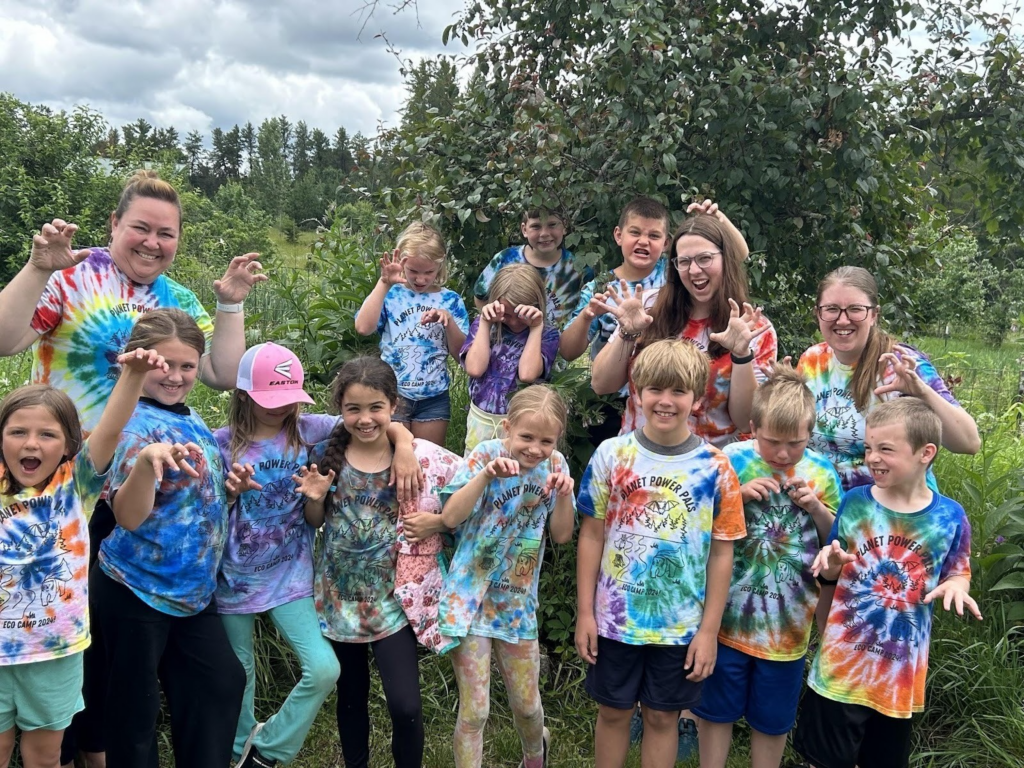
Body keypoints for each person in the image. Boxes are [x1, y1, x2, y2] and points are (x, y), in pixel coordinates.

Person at [0, 169, 265, 768]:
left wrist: (228, 304)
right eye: (140, 228)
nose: (152, 242)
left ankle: (99, 750)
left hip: (142, 497)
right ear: (114, 225)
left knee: (114, 657)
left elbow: (221, 373)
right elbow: (4, 338)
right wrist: (41, 266)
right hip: (62, 492)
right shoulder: (72, 276)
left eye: (165, 233)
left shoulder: (177, 301)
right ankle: (66, 753)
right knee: (69, 642)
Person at [576, 339, 746, 768]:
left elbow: (721, 555)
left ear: (697, 397)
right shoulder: (612, 455)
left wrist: (708, 632)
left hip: (679, 624)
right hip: (616, 619)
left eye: (678, 392)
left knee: (662, 716)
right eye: (655, 390)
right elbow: (592, 535)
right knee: (613, 712)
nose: (665, 401)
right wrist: (585, 613)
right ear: (636, 391)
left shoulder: (716, 468)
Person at [91, 309, 246, 767]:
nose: (175, 377)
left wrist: (228, 490)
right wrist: (143, 466)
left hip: (192, 593)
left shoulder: (189, 417)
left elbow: (188, 499)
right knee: (133, 719)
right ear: (137, 363)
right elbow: (128, 517)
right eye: (163, 365)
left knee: (220, 684)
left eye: (187, 366)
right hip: (135, 590)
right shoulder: (131, 427)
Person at [0, 346, 168, 768]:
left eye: (47, 434)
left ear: (70, 444)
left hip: (54, 652)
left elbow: (110, 430)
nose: (31, 444)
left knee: (44, 756)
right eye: (17, 432)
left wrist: (133, 375)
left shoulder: (77, 485)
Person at [793, 397, 982, 768]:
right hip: (840, 668)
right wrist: (829, 566)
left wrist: (958, 586)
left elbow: (959, 570)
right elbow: (833, 569)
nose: (872, 457)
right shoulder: (855, 503)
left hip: (898, 676)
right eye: (868, 447)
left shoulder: (950, 517)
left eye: (885, 449)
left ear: (925, 453)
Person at [297, 357, 455, 768]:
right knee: (351, 702)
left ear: (393, 405)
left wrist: (437, 520)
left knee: (405, 706)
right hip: (339, 601)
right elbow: (315, 522)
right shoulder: (327, 455)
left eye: (375, 408)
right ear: (340, 409)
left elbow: (466, 486)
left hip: (393, 601)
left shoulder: (416, 455)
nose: (365, 419)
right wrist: (314, 500)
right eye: (353, 409)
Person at [692, 365, 843, 768]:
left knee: (773, 722)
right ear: (752, 427)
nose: (782, 454)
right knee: (715, 711)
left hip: (788, 627)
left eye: (795, 444)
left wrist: (815, 507)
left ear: (811, 433)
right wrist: (737, 496)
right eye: (772, 442)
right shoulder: (731, 461)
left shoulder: (822, 474)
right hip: (726, 620)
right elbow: (699, 523)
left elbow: (837, 541)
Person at [438, 385, 576, 768]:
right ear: (506, 428)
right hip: (470, 601)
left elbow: (563, 535)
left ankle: (535, 756)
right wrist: (484, 477)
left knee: (528, 706)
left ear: (557, 439)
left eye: (546, 440)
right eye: (526, 437)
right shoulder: (485, 455)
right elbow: (450, 517)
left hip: (517, 605)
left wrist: (565, 494)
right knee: (475, 712)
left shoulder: (557, 466)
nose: (534, 449)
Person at [590, 209, 776, 448]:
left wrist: (741, 355)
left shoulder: (754, 327)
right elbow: (601, 385)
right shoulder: (648, 307)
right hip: (636, 462)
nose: (694, 270)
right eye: (684, 261)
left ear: (726, 259)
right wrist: (627, 334)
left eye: (705, 258)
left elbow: (745, 421)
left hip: (707, 469)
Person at [796, 266, 980, 492]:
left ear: (874, 315)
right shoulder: (811, 361)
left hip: (893, 511)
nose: (842, 320)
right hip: (826, 506)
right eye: (831, 309)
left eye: (855, 309)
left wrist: (922, 392)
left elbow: (969, 443)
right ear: (818, 313)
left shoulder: (900, 364)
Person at [559, 197, 672, 444]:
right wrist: (587, 317)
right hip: (612, 403)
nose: (644, 241)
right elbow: (567, 351)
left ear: (666, 243)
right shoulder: (601, 287)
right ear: (619, 235)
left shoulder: (675, 277)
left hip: (669, 397)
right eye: (635, 233)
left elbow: (730, 259)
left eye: (654, 236)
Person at [354, 222, 470, 446]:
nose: (420, 279)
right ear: (402, 264)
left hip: (433, 397)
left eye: (429, 272)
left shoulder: (451, 300)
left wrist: (449, 322)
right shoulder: (392, 294)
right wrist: (383, 283)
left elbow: (462, 356)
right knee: (391, 460)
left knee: (428, 461)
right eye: (413, 271)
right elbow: (363, 327)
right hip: (392, 394)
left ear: (440, 265)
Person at [461, 264, 560, 454]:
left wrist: (535, 328)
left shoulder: (547, 334)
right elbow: (474, 368)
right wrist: (484, 323)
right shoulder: (484, 325)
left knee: (515, 474)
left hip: (523, 426)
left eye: (520, 316)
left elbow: (527, 374)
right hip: (480, 419)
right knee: (475, 472)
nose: (513, 322)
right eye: (506, 314)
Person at [472, 208, 593, 328]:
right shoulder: (505, 258)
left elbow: (587, 308)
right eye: (536, 226)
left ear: (564, 226)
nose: (545, 233)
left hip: (558, 343)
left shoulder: (579, 267)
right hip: (511, 343)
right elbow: (480, 297)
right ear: (524, 229)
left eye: (552, 224)